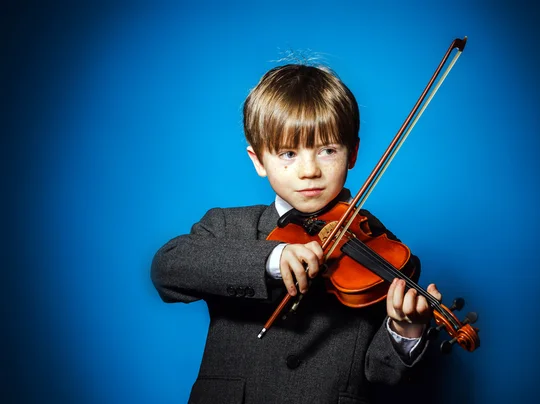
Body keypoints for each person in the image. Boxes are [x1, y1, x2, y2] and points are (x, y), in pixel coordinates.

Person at [151, 63, 441, 404]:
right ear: (258, 160)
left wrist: (405, 332)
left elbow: (382, 373)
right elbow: (168, 268)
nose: (309, 171)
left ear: (353, 154)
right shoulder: (229, 227)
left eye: (328, 150)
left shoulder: (382, 253)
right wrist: (273, 259)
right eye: (288, 153)